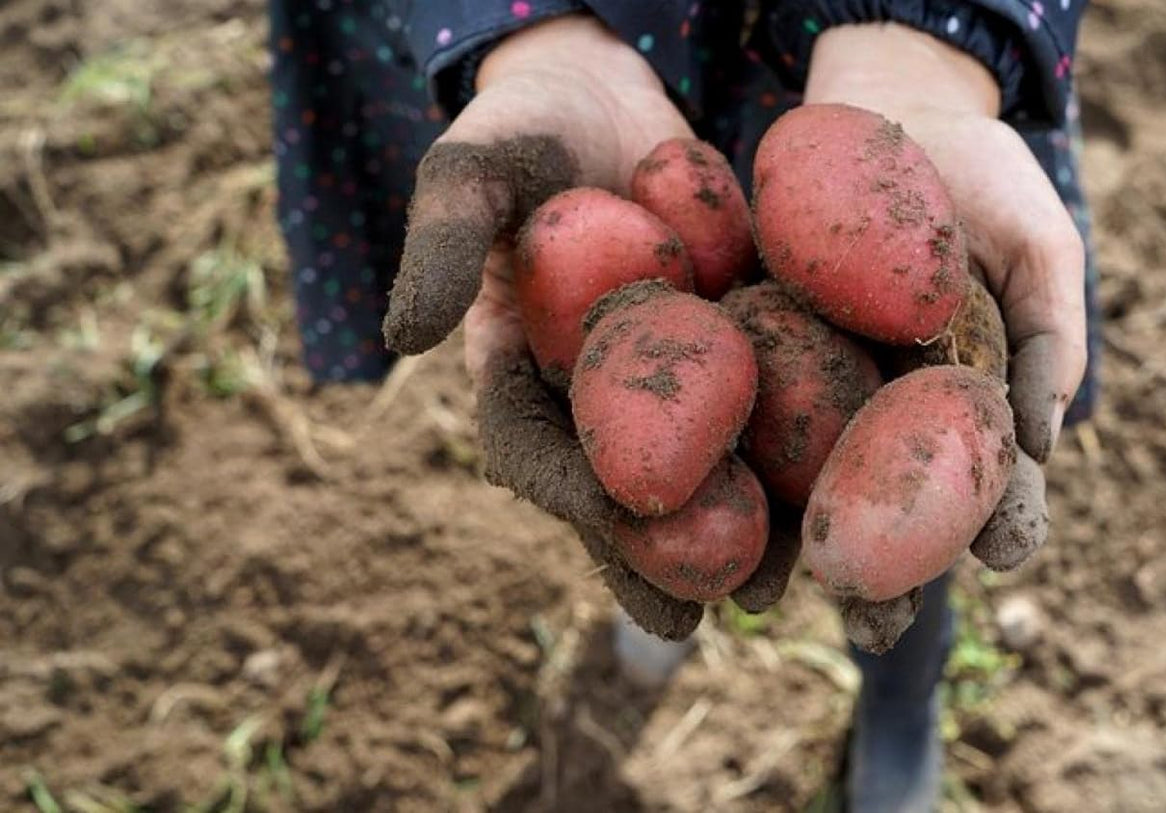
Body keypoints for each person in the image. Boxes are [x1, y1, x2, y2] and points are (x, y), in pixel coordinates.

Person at [268, 2, 1096, 809]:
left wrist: (931, 54)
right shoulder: (670, 308)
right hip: (612, 58)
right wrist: (526, 34)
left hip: (892, 68)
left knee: (916, 503)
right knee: (629, 495)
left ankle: (903, 697)